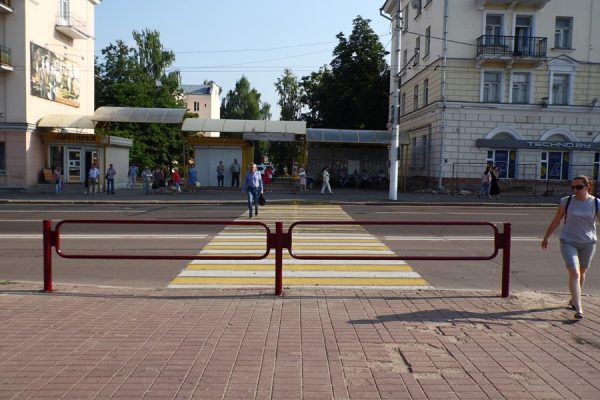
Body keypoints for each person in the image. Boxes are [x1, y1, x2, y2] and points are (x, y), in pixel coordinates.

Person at [542, 176, 600, 320]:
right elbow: (556, 220)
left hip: (589, 242)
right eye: (572, 187)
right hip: (568, 241)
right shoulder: (566, 201)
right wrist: (546, 237)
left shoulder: (596, 203)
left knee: (582, 272)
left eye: (578, 187)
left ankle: (574, 300)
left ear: (588, 187)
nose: (575, 190)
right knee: (574, 272)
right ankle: (579, 308)